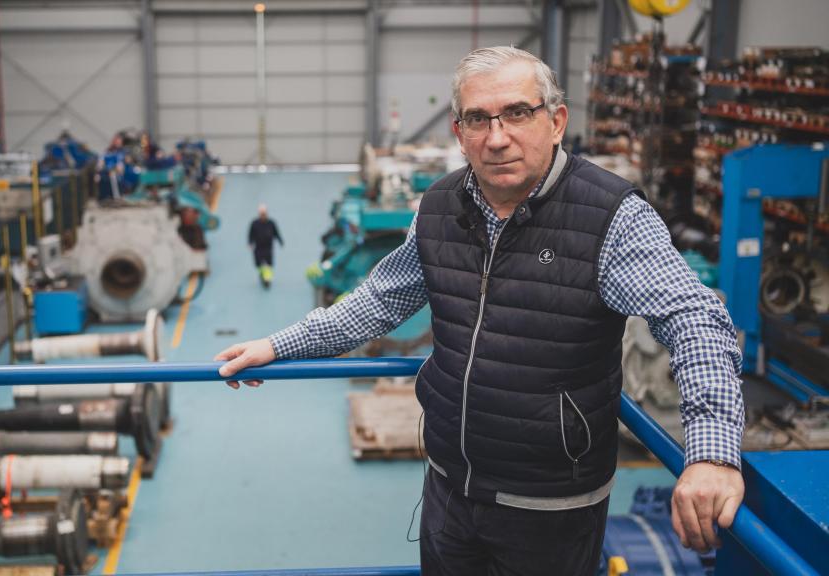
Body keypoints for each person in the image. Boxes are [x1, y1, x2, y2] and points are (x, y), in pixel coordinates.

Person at [215, 46, 744, 575]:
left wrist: (711, 453)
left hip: (549, 507)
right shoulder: (440, 206)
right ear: (458, 131)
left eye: (518, 113)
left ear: (556, 121)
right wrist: (278, 346)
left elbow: (695, 319)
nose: (497, 137)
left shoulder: (612, 216)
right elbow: (379, 298)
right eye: (478, 119)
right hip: (449, 488)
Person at [248, 204, 283, 289]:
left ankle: (267, 280)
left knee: (269, 264)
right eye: (261, 214)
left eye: (264, 213)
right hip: (258, 247)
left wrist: (280, 241)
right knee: (259, 263)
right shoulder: (254, 223)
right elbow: (250, 234)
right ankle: (262, 273)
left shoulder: (271, 223)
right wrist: (250, 242)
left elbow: (276, 232)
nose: (263, 215)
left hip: (268, 247)